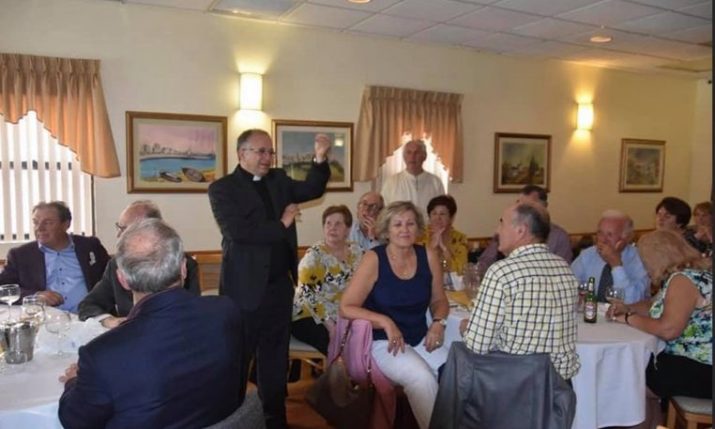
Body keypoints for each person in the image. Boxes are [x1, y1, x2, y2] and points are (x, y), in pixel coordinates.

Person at [58, 219, 243, 429]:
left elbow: (74, 421)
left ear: (122, 280)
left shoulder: (102, 354)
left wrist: (73, 382)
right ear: (183, 269)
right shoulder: (225, 311)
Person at [208, 128, 331, 429]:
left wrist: (320, 158)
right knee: (239, 359)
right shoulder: (222, 189)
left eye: (270, 152)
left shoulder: (279, 180)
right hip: (243, 290)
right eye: (260, 151)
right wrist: (283, 223)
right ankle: (232, 420)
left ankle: (276, 421)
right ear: (242, 154)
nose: (267, 157)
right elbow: (240, 233)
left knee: (275, 359)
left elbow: (312, 189)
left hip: (279, 287)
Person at [340, 201, 450, 429]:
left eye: (410, 224)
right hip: (383, 343)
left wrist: (438, 322)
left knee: (454, 372)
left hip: (420, 338)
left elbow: (439, 300)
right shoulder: (374, 259)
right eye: (397, 224)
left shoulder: (428, 256)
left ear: (418, 228)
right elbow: (346, 307)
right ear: (386, 230)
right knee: (422, 379)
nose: (404, 229)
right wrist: (385, 322)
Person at [462, 202, 580, 383]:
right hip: (558, 387)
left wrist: (466, 329)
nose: (497, 231)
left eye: (502, 223)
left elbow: (477, 345)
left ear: (521, 231)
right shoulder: (564, 268)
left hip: (513, 387)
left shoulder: (502, 272)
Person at [607, 230, 712, 408]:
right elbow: (654, 305)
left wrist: (628, 318)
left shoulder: (682, 280)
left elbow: (668, 329)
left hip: (701, 368)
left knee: (625, 377)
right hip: (697, 363)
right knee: (638, 366)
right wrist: (629, 308)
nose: (644, 266)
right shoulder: (691, 273)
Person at [78, 200, 201, 327]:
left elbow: (190, 312)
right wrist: (107, 320)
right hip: (129, 334)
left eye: (124, 229)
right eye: (119, 228)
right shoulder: (116, 264)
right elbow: (88, 306)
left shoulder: (181, 264)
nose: (118, 235)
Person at [0, 201, 109, 313]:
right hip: (43, 319)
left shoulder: (90, 246)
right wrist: (35, 296)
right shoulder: (21, 255)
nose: (39, 228)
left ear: (66, 224)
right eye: (36, 222)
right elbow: (2, 289)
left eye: (47, 223)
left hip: (90, 317)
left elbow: (111, 279)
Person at [292, 205, 363, 355]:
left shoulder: (357, 252)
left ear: (348, 229)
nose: (332, 228)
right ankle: (339, 369)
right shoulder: (314, 255)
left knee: (365, 337)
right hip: (309, 315)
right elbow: (308, 294)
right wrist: (331, 327)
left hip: (343, 313)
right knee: (338, 347)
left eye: (338, 224)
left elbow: (366, 283)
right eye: (328, 223)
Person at [478, 185, 572, 275]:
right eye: (519, 204)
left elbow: (561, 271)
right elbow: (484, 262)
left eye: (528, 207)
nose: (522, 211)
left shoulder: (559, 237)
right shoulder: (506, 231)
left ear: (544, 206)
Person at [571, 210, 650, 304]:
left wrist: (616, 265)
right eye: (600, 233)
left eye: (610, 235)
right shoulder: (588, 255)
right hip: (591, 310)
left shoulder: (640, 259)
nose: (603, 240)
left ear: (626, 238)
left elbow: (631, 301)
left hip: (626, 313)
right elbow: (569, 283)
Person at [381, 139, 445, 216]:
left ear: (424, 156)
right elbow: (384, 212)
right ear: (404, 157)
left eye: (417, 153)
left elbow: (442, 211)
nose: (412, 157)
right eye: (409, 152)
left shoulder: (435, 182)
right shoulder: (391, 182)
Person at [418, 194, 468, 275]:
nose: (438, 218)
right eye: (434, 213)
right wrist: (432, 247)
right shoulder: (419, 236)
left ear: (451, 218)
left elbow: (461, 269)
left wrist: (443, 248)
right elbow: (418, 267)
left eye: (442, 214)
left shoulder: (460, 238)